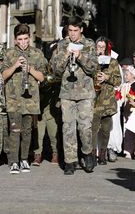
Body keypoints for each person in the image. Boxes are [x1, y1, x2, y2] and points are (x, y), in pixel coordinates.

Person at [50, 16, 98, 175]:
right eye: (70, 30)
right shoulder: (61, 44)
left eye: (75, 30)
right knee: (68, 128)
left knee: (85, 127)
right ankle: (70, 161)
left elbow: (93, 68)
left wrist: (80, 56)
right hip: (67, 93)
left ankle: (86, 152)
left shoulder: (89, 44)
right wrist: (65, 54)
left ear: (81, 30)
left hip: (85, 93)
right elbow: (55, 69)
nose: (72, 34)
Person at [1, 24, 47, 174]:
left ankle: (24, 159)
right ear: (15, 40)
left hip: (30, 99)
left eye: (26, 39)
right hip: (14, 98)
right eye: (20, 39)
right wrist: (15, 66)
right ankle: (13, 161)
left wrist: (31, 69)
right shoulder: (9, 54)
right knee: (14, 130)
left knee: (27, 131)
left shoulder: (37, 53)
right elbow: (2, 76)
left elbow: (43, 77)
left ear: (30, 38)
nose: (23, 42)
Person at [91, 36, 121, 165]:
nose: (101, 50)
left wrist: (107, 77)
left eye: (103, 47)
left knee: (105, 130)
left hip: (108, 101)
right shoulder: (91, 61)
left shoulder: (113, 62)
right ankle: (91, 155)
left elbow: (118, 81)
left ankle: (102, 155)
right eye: (99, 47)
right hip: (94, 101)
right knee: (92, 130)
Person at [32, 42, 61, 166]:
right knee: (39, 131)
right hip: (40, 100)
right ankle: (37, 155)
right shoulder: (44, 63)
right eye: (54, 52)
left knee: (53, 130)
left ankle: (55, 154)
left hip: (53, 102)